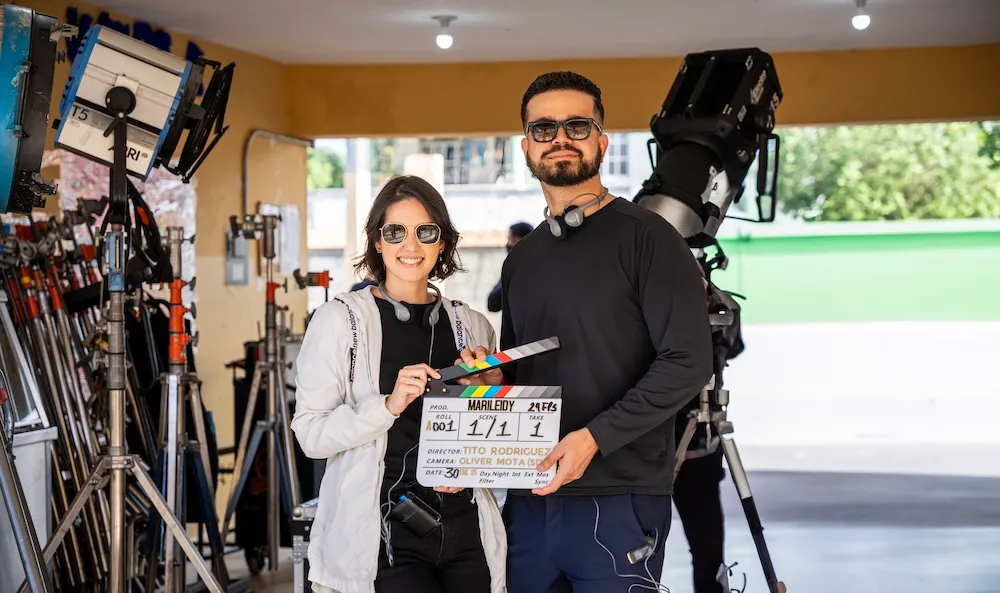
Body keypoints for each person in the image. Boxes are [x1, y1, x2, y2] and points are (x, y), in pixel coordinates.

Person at [458, 71, 713, 593]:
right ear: (526, 146)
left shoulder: (651, 239)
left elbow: (688, 362)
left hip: (619, 498)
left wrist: (594, 438)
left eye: (577, 126)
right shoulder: (522, 260)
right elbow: (528, 370)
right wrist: (491, 379)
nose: (560, 138)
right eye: (543, 128)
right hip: (531, 494)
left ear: (602, 141)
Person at [291, 175, 507, 593]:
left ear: (443, 242)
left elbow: (489, 440)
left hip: (465, 524)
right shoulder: (339, 321)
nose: (411, 245)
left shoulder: (472, 324)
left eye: (426, 232)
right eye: (395, 232)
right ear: (377, 241)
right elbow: (311, 436)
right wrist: (387, 405)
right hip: (383, 530)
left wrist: (491, 389)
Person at [486, 221, 533, 312]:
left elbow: (494, 302)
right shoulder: (513, 268)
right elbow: (493, 303)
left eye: (512, 240)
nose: (508, 244)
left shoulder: (524, 270)